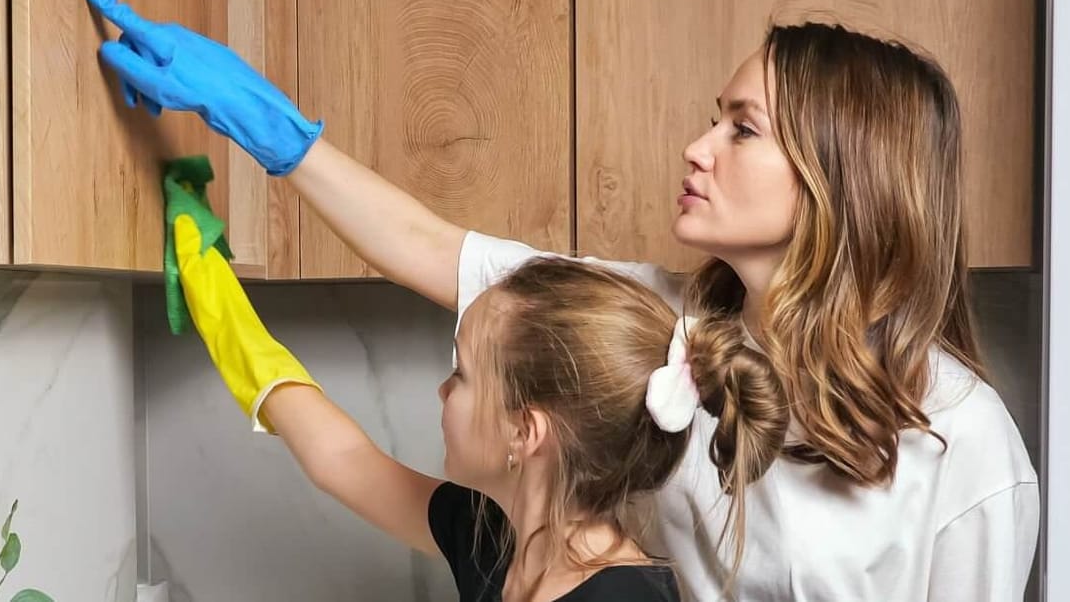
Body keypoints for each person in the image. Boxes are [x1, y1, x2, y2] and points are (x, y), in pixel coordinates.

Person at [84, 0, 1039, 601]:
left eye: (742, 129)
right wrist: (261, 122)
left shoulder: (966, 447)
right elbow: (433, 250)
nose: (696, 147)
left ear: (842, 179)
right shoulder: (655, 327)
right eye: (714, 118)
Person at [170, 194, 691, 600]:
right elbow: (344, 460)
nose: (443, 390)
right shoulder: (496, 539)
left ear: (524, 432)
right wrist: (216, 298)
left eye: (460, 373)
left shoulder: (628, 598)